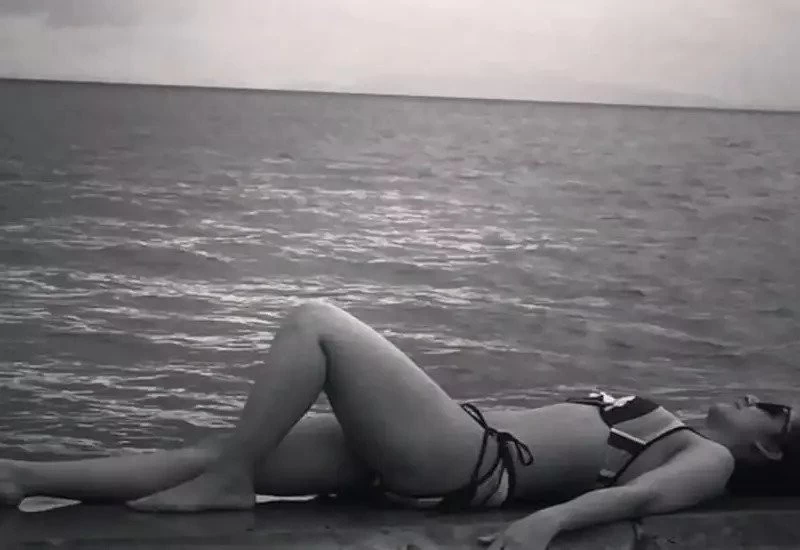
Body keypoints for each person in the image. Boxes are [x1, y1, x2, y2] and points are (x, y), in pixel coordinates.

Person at [0, 301, 797, 550]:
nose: (752, 397)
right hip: (447, 449)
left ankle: (229, 479)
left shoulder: (711, 461)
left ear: (768, 444)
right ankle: (23, 477)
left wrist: (549, 524)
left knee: (316, 321)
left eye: (770, 407)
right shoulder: (691, 435)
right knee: (209, 451)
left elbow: (640, 502)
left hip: (466, 461)